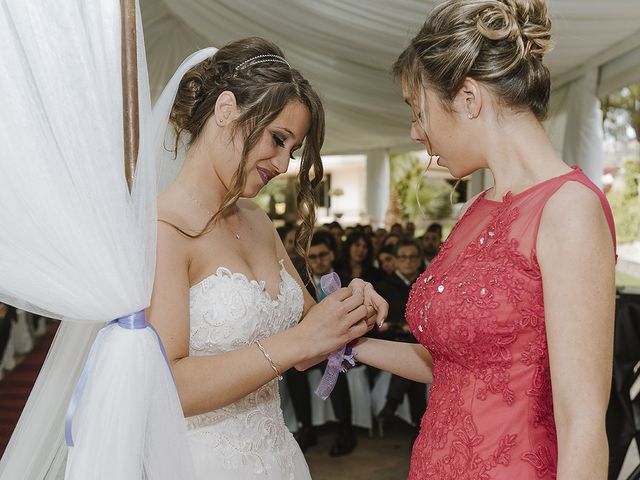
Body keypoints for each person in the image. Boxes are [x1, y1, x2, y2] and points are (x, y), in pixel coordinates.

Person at [354, 1, 616, 478]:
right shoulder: (478, 209)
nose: (416, 132)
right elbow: (458, 365)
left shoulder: (569, 211)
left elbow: (582, 425)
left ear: (469, 99)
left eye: (420, 111)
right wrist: (348, 346)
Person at [148, 38, 387, 480]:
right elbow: (169, 386)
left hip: (279, 457)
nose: (282, 164)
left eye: (292, 151)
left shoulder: (258, 221)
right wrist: (299, 342)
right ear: (225, 110)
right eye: (277, 139)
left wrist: (352, 304)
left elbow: (310, 338)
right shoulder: (163, 230)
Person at [284, 230, 358, 456]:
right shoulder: (301, 283)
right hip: (313, 347)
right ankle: (307, 428)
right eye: (313, 257)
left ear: (332, 255)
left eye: (323, 255)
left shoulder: (346, 281)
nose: (318, 261)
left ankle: (345, 430)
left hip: (344, 346)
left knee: (335, 366)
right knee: (293, 371)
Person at [374, 239, 428, 441]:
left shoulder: (428, 284)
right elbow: (377, 326)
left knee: (415, 352)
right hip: (393, 344)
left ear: (419, 260)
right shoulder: (382, 287)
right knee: (411, 352)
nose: (408, 262)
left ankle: (392, 403)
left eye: (413, 257)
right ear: (394, 260)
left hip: (422, 344)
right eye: (403, 257)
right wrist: (398, 327)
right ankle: (418, 426)